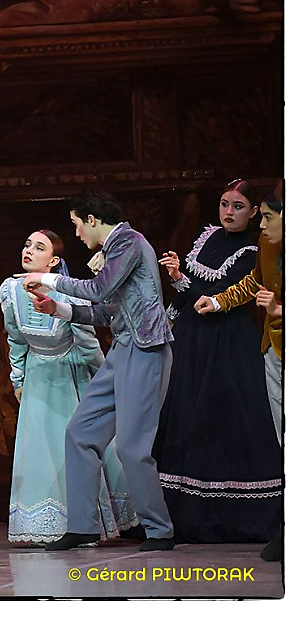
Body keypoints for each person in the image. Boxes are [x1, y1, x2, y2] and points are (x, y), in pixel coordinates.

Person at [16, 191, 175, 552]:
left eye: (76, 224)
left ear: (91, 219)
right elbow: (106, 312)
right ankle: (83, 527)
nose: (76, 234)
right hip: (123, 349)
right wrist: (58, 309)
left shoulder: (129, 242)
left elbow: (100, 290)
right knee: (80, 432)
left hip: (146, 350)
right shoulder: (115, 250)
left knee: (132, 447)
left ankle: (159, 530)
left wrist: (48, 279)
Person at [153, 180, 282, 544]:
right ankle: (178, 513)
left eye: (238, 206)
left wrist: (189, 285)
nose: (229, 212)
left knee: (221, 414)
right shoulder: (206, 237)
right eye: (225, 204)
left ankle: (234, 513)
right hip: (193, 338)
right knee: (185, 412)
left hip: (227, 341)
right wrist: (174, 295)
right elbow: (192, 294)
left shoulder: (254, 248)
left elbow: (220, 294)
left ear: (254, 212)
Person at [0, 229, 137, 544]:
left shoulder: (68, 293)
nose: (29, 250)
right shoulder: (10, 291)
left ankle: (89, 522)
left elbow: (88, 344)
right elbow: (15, 339)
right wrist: (18, 379)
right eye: (27, 244)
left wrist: (108, 380)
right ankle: (44, 523)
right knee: (40, 451)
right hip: (37, 378)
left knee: (77, 445)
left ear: (53, 261)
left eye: (39, 247)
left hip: (70, 376)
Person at [195, 182, 284, 561]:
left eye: (268, 217)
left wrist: (282, 310)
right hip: (274, 348)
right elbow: (253, 283)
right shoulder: (267, 244)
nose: (261, 225)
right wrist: (218, 301)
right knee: (283, 438)